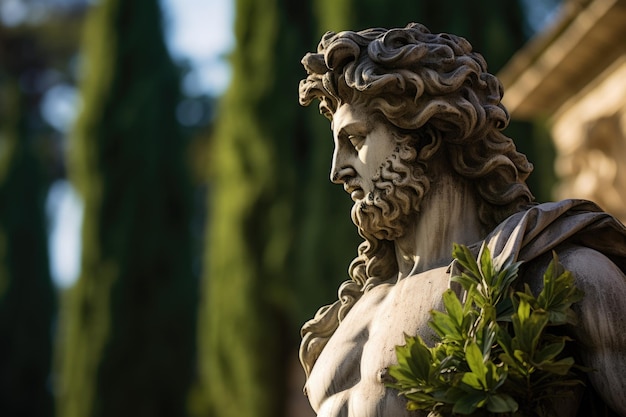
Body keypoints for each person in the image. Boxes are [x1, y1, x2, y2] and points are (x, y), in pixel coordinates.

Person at [297, 22, 626, 417]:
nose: (337, 170)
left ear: (425, 136)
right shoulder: (350, 315)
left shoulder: (556, 281)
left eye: (355, 140)